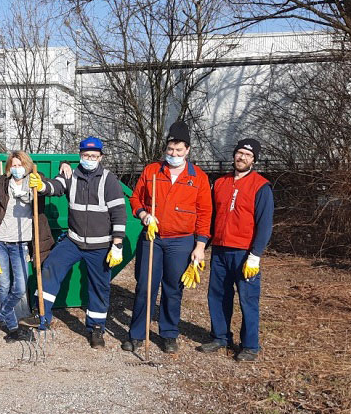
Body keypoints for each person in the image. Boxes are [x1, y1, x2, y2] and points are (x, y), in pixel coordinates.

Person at [29, 137, 127, 349]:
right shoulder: (71, 175)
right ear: (80, 156)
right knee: (50, 267)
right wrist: (41, 185)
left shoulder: (109, 180)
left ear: (100, 157)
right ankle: (41, 316)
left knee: (99, 287)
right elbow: (55, 186)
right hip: (73, 241)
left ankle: (96, 330)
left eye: (93, 156)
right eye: (85, 156)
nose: (89, 159)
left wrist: (117, 244)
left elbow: (119, 212)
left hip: (100, 246)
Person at [123, 121, 212, 354]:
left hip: (181, 241)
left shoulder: (198, 178)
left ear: (188, 150)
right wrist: (143, 215)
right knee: (145, 286)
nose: (173, 154)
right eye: (170, 149)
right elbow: (135, 199)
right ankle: (137, 333)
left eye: (179, 150)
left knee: (173, 288)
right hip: (152, 238)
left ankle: (169, 333)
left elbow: (205, 213)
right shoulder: (152, 171)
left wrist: (200, 245)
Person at [198, 138, 274, 362]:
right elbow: (211, 218)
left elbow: (265, 224)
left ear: (254, 160)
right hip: (221, 250)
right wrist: (202, 246)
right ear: (234, 155)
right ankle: (220, 337)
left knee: (248, 299)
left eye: (248, 155)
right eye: (239, 153)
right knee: (218, 295)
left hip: (244, 252)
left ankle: (250, 345)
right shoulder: (220, 183)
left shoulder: (261, 186)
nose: (242, 158)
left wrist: (256, 255)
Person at [0, 151, 55, 342]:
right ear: (9, 167)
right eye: (14, 165)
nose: (17, 169)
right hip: (1, 242)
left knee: (20, 287)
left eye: (20, 165)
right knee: (4, 285)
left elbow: (49, 187)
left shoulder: (35, 181)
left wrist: (61, 169)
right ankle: (12, 327)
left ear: (27, 166)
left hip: (21, 244)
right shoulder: (1, 185)